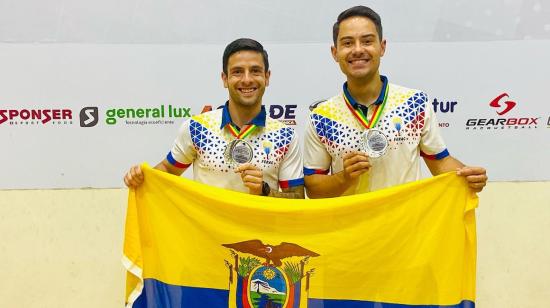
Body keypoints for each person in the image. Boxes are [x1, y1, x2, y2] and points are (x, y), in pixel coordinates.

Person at [303, 6, 487, 198]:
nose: (358, 50)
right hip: (353, 226)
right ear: (335, 52)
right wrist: (344, 178)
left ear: (382, 47)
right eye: (348, 43)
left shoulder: (414, 103)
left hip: (404, 224)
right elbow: (314, 190)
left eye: (367, 41)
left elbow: (440, 163)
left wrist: (468, 175)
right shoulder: (321, 117)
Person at [124, 38, 304, 198]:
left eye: (255, 71)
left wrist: (264, 190)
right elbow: (166, 170)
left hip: (260, 236)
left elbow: (296, 198)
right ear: (224, 79)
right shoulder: (197, 128)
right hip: (208, 236)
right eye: (237, 72)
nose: (247, 79)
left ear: (267, 77)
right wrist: (142, 176)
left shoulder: (285, 136)